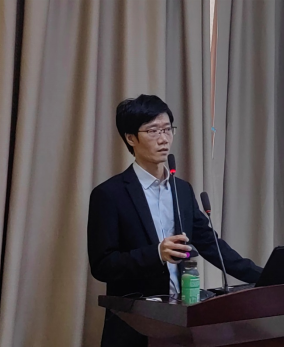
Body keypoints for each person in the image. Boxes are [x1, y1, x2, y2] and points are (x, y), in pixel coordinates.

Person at [88, 95, 262, 347]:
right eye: (153, 131)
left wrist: (265, 277)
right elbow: (102, 265)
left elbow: (212, 245)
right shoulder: (110, 194)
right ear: (131, 138)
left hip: (181, 322)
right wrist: (156, 253)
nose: (164, 139)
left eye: (168, 129)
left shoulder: (182, 190)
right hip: (134, 327)